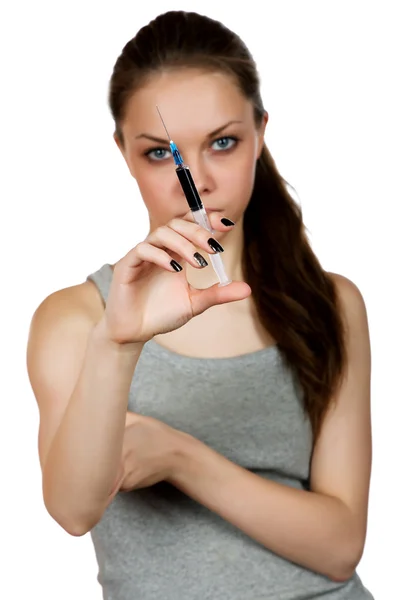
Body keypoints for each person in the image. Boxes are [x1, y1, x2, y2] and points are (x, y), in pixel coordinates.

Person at [26, 10, 374, 600]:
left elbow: (340, 548)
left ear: (260, 134)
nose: (197, 183)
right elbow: (72, 510)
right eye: (161, 153)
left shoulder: (330, 302)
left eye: (223, 143)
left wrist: (181, 457)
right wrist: (119, 343)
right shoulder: (76, 320)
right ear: (124, 154)